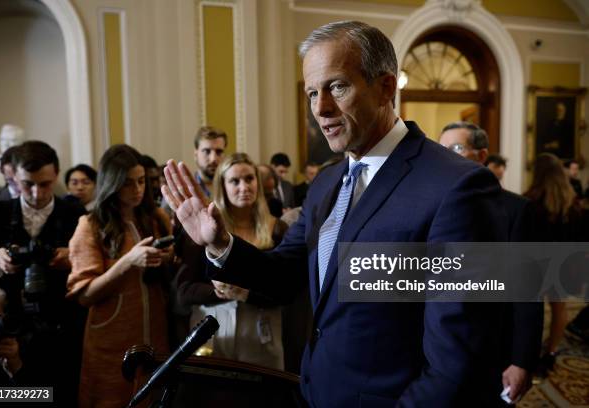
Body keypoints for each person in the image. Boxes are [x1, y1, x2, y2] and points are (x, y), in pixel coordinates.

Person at [162, 20, 507, 407]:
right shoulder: (327, 183)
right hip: (317, 391)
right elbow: (283, 275)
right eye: (312, 93)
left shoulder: (457, 187)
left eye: (337, 87)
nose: (320, 109)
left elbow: (458, 357)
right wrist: (221, 244)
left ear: (385, 88)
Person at [440, 122, 543, 403]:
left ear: (482, 155)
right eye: (441, 149)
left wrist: (521, 361)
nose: (446, 155)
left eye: (456, 148)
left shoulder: (517, 210)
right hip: (438, 350)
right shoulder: (431, 204)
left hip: (492, 349)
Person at [0, 140, 85, 404]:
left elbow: (97, 268)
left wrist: (75, 259)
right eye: (28, 184)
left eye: (45, 184)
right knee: (12, 398)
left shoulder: (76, 214)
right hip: (7, 329)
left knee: (61, 397)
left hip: (64, 330)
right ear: (14, 176)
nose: (37, 193)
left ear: (57, 175)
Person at [67, 144, 172, 408]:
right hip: (111, 338)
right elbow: (85, 294)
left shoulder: (156, 217)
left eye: (141, 181)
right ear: (112, 183)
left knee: (154, 397)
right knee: (111, 399)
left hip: (156, 330)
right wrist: (128, 261)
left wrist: (167, 258)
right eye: (127, 183)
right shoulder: (91, 225)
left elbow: (172, 267)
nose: (137, 190)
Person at [177, 153, 289, 369]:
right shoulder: (206, 228)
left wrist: (244, 292)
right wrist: (217, 291)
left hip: (261, 326)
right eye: (234, 181)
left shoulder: (277, 228)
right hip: (213, 325)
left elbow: (286, 289)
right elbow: (183, 291)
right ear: (222, 185)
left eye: (249, 179)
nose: (244, 187)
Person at [524, 153, 585, 378]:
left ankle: (528, 353)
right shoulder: (574, 204)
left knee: (534, 310)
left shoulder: (530, 200)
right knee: (559, 310)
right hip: (566, 264)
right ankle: (550, 353)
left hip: (538, 262)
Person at [194, 126, 227, 198]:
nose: (213, 159)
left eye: (219, 152)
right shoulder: (183, 190)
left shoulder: (234, 188)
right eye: (207, 151)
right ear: (196, 155)